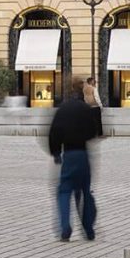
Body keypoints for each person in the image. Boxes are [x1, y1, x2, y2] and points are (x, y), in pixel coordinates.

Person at [48, 78, 98, 242]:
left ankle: (65, 227)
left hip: (68, 154)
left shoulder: (63, 109)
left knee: (64, 191)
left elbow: (54, 132)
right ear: (81, 90)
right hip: (83, 154)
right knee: (85, 192)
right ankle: (89, 230)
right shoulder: (85, 109)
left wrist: (56, 152)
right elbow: (93, 131)